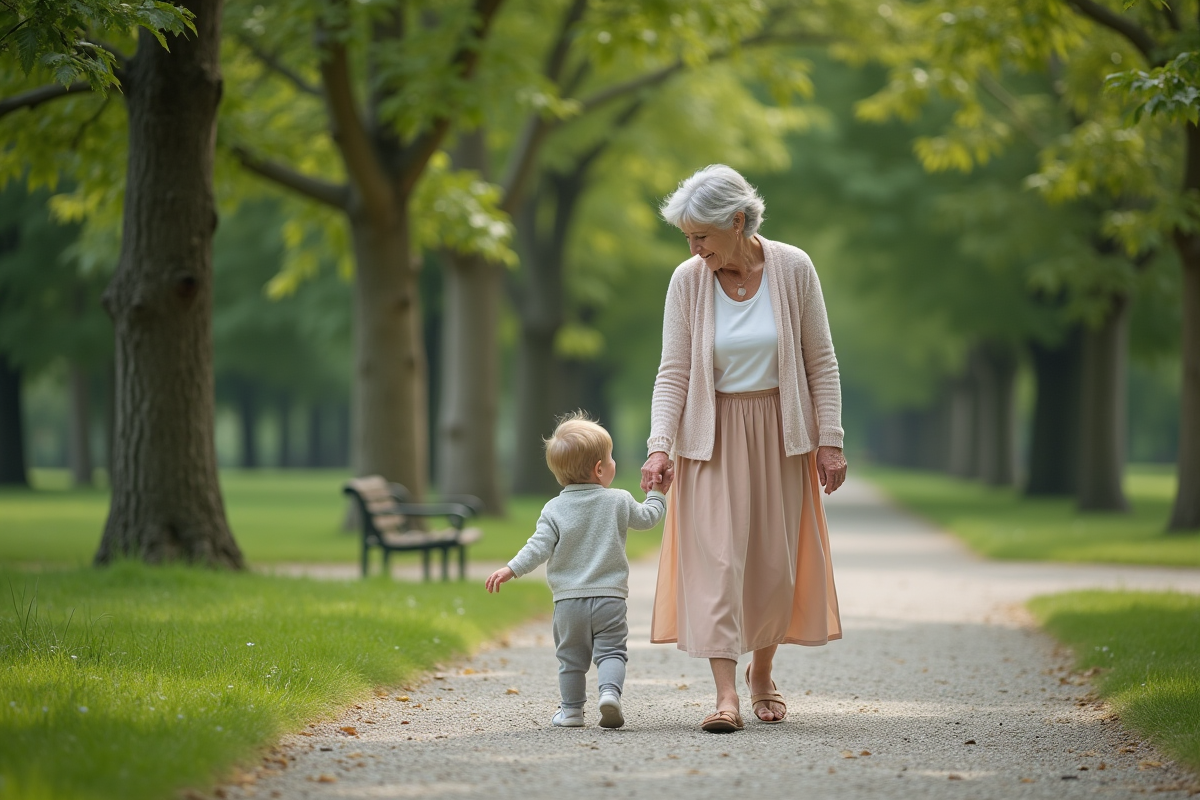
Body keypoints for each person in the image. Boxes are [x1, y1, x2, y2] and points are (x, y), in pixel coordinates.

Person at [641, 164, 847, 733]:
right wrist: (659, 447)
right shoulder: (687, 280)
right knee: (718, 564)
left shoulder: (794, 267)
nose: (693, 248)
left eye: (701, 236)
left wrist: (829, 441)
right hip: (711, 436)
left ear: (737, 221)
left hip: (780, 432)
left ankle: (763, 672)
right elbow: (674, 370)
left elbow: (821, 362)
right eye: (687, 237)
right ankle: (725, 694)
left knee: (771, 564)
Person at [486, 412, 670, 729]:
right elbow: (648, 518)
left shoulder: (553, 508)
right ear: (599, 469)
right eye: (610, 458)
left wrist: (511, 569)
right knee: (612, 653)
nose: (613, 463)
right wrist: (657, 493)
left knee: (570, 660)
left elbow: (537, 548)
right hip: (610, 598)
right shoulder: (619, 500)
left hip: (568, 602)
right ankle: (609, 694)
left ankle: (571, 712)